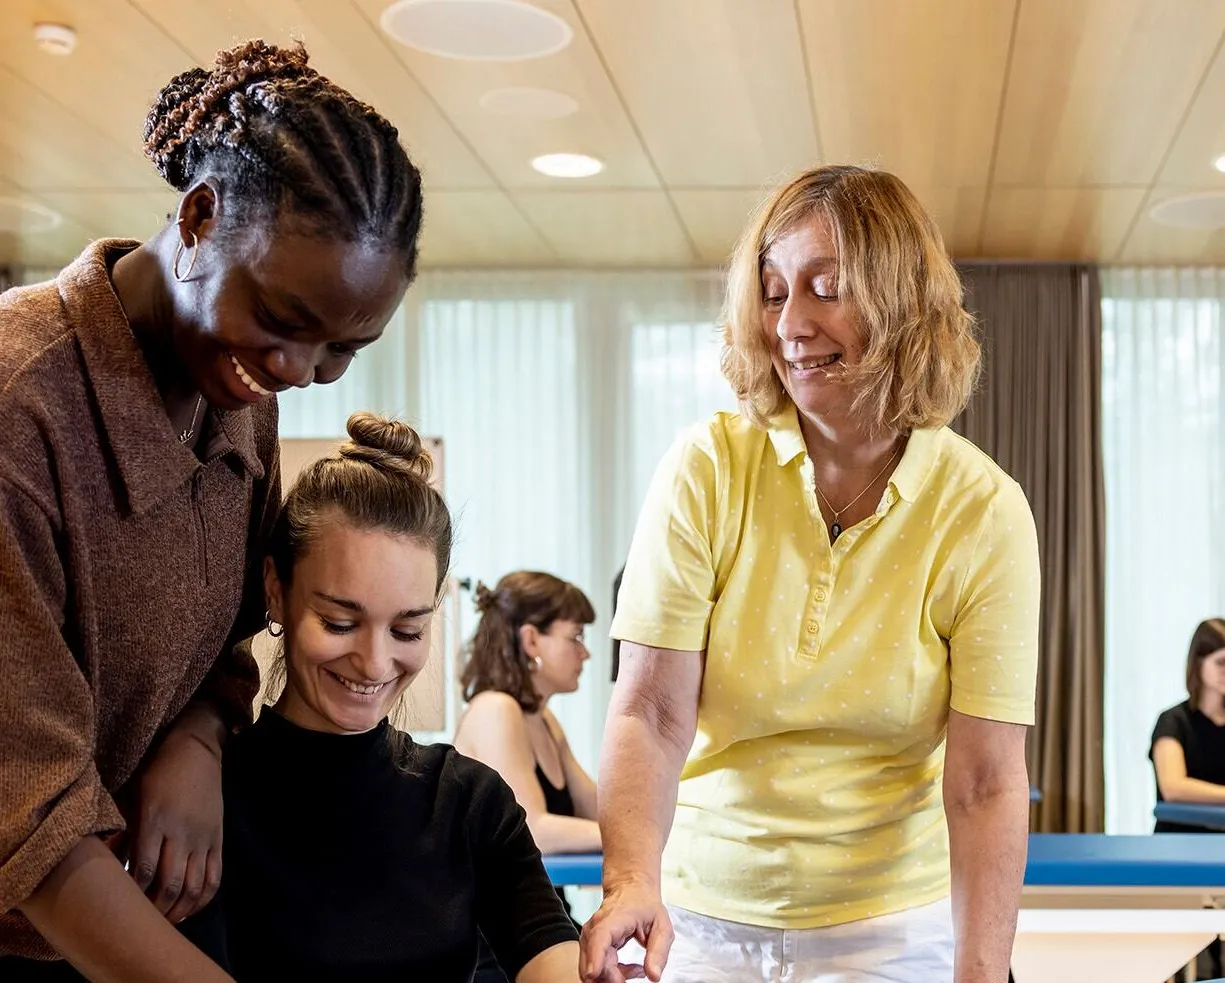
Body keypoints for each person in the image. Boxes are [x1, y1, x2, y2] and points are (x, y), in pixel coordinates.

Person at [0, 40, 423, 982]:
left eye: (340, 350)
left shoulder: (238, 397)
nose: (295, 372)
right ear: (198, 216)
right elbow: (23, 806)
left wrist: (197, 734)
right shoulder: (21, 403)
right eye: (279, 318)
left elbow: (233, 631)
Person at [580, 165, 1041, 983]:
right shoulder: (706, 467)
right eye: (771, 290)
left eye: (825, 288)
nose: (790, 323)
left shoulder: (982, 510)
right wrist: (629, 882)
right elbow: (650, 712)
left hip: (892, 929)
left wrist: (981, 970)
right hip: (700, 921)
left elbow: (984, 780)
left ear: (900, 305)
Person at [184, 413, 580, 983]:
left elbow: (551, 955)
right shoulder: (204, 801)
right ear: (276, 590)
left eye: (407, 631)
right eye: (340, 622)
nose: (373, 664)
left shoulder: (470, 803)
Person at [453, 572, 600, 982]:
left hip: (543, 927)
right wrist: (638, 840)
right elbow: (534, 829)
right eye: (575, 637)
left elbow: (601, 810)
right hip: (497, 945)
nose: (585, 654)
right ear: (532, 640)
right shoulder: (494, 709)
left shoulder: (544, 720)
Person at [1150, 619, 1225, 830]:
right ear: (1198, 664)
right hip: (1180, 843)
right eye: (1220, 662)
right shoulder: (1172, 721)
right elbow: (1173, 787)